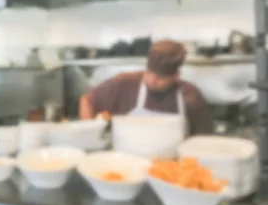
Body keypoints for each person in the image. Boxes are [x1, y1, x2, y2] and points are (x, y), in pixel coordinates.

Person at [79, 40, 213, 135]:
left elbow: (203, 139)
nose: (152, 81)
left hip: (170, 168)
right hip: (127, 163)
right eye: (149, 73)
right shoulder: (124, 83)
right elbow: (87, 101)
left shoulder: (190, 96)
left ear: (176, 76)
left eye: (161, 78)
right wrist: (89, 135)